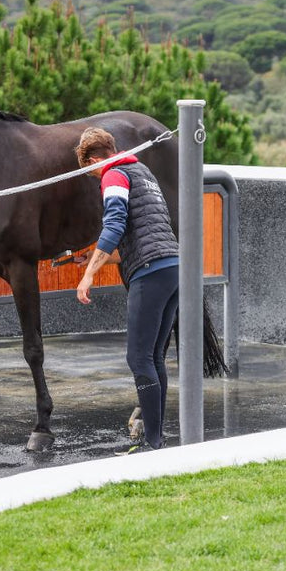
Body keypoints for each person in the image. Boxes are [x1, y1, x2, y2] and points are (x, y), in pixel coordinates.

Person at [74, 126, 179, 452]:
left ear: (92, 160)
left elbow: (116, 224)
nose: (92, 176)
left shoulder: (114, 175)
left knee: (138, 358)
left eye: (88, 170)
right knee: (153, 357)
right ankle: (156, 439)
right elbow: (139, 234)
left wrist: (89, 275)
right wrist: (96, 258)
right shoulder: (142, 171)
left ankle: (152, 444)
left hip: (150, 272)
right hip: (172, 267)